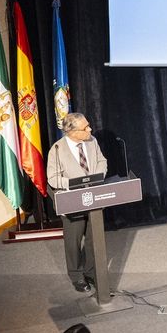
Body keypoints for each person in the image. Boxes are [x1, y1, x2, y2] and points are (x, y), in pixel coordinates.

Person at [45, 112, 107, 292]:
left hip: (94, 196)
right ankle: (76, 275)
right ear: (72, 132)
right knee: (74, 240)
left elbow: (102, 161)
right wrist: (73, 184)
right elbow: (53, 178)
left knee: (93, 237)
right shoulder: (57, 150)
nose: (90, 129)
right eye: (85, 128)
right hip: (72, 200)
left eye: (88, 125)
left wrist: (98, 176)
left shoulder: (92, 141)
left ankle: (90, 272)